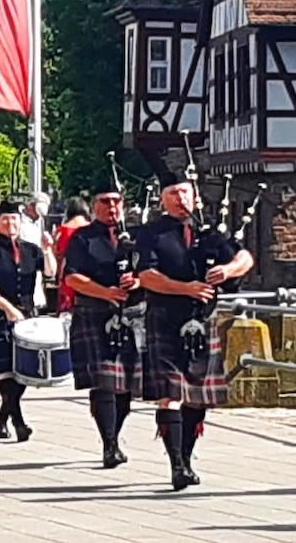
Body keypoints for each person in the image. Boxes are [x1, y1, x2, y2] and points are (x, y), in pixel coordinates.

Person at [135, 170, 253, 491]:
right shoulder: (151, 234)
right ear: (162, 199)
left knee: (197, 400)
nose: (180, 198)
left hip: (202, 323)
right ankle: (175, 466)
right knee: (170, 395)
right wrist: (186, 289)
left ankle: (185, 459)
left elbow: (245, 258)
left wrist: (227, 269)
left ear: (194, 196)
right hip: (164, 320)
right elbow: (146, 276)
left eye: (185, 192)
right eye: (173, 193)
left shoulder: (209, 232)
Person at [63, 185, 141, 468]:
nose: (112, 207)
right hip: (94, 315)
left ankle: (115, 436)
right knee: (105, 383)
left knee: (126, 387)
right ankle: (109, 445)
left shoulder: (134, 237)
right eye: (105, 202)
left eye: (116, 201)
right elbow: (71, 278)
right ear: (94, 206)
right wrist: (105, 292)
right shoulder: (82, 239)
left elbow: (150, 270)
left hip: (131, 317)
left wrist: (138, 282)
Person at [0, 201, 56, 441]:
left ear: (20, 223)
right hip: (0, 313)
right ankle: (19, 423)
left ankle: (2, 419)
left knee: (23, 370)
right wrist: (7, 308)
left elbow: (51, 273)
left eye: (14, 220)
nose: (10, 224)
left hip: (27, 314)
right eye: (5, 220)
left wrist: (48, 249)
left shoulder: (31, 250)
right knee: (6, 370)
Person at [54, 197, 91, 313]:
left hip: (67, 276)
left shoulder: (61, 231)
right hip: (88, 277)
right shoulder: (91, 229)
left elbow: (57, 255)